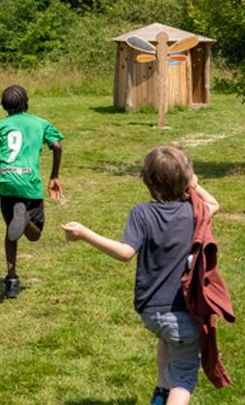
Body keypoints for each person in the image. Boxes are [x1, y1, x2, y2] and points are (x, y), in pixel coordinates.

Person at [62, 145, 220, 405]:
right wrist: (194, 185)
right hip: (183, 314)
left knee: (166, 340)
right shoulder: (194, 212)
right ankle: (170, 392)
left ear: (148, 181)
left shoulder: (142, 212)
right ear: (186, 180)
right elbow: (214, 204)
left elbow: (126, 252)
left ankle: (160, 393)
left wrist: (85, 234)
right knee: (183, 379)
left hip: (151, 313)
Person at [0, 84, 64, 299]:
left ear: (3, 106)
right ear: (26, 103)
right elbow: (57, 146)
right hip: (28, 184)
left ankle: (11, 280)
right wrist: (54, 176)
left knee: (11, 231)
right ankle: (25, 220)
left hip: (6, 183)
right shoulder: (39, 123)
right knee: (34, 235)